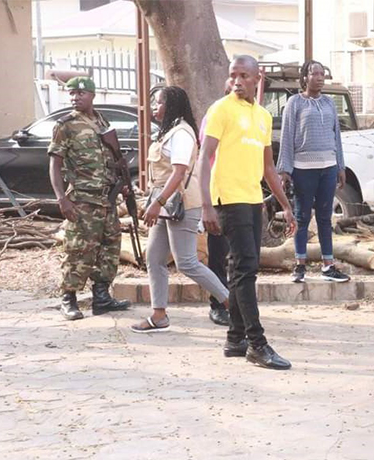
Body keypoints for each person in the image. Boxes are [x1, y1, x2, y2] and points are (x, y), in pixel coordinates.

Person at [198, 55, 296, 370]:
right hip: (228, 200)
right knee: (245, 272)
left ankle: (235, 337)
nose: (237, 81)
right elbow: (204, 159)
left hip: (254, 201)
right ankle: (257, 343)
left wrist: (284, 204)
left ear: (257, 78)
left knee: (241, 271)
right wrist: (206, 205)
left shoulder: (264, 116)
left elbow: (268, 167)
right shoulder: (220, 110)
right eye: (233, 75)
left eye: (244, 75)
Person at [130, 86, 232, 333]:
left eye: (158, 103)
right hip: (167, 204)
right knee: (154, 258)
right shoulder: (168, 132)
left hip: (182, 204)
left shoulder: (182, 134)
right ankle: (159, 315)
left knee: (186, 262)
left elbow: (178, 173)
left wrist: (157, 203)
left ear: (172, 105)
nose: (155, 107)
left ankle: (233, 304)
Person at [48, 76, 131, 321]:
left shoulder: (101, 121)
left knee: (109, 248)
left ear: (92, 96)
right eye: (72, 93)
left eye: (81, 93)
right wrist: (61, 198)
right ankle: (68, 299)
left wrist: (123, 184)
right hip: (82, 200)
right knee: (78, 250)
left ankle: (102, 297)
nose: (75, 97)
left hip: (107, 199)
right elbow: (55, 164)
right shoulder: (65, 125)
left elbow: (112, 159)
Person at [277, 60, 350, 283]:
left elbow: (336, 135)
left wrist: (340, 165)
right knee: (302, 215)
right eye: (314, 74)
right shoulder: (295, 103)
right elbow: (287, 135)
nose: (319, 77)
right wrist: (284, 170)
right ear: (305, 78)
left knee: (325, 217)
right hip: (303, 169)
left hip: (327, 168)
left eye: (322, 74)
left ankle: (328, 265)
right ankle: (300, 265)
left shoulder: (329, 103)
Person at [204, 78, 234, 327]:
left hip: (242, 197)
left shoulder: (251, 116)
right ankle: (217, 303)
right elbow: (205, 158)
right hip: (218, 197)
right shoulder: (215, 114)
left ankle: (235, 303)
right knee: (218, 254)